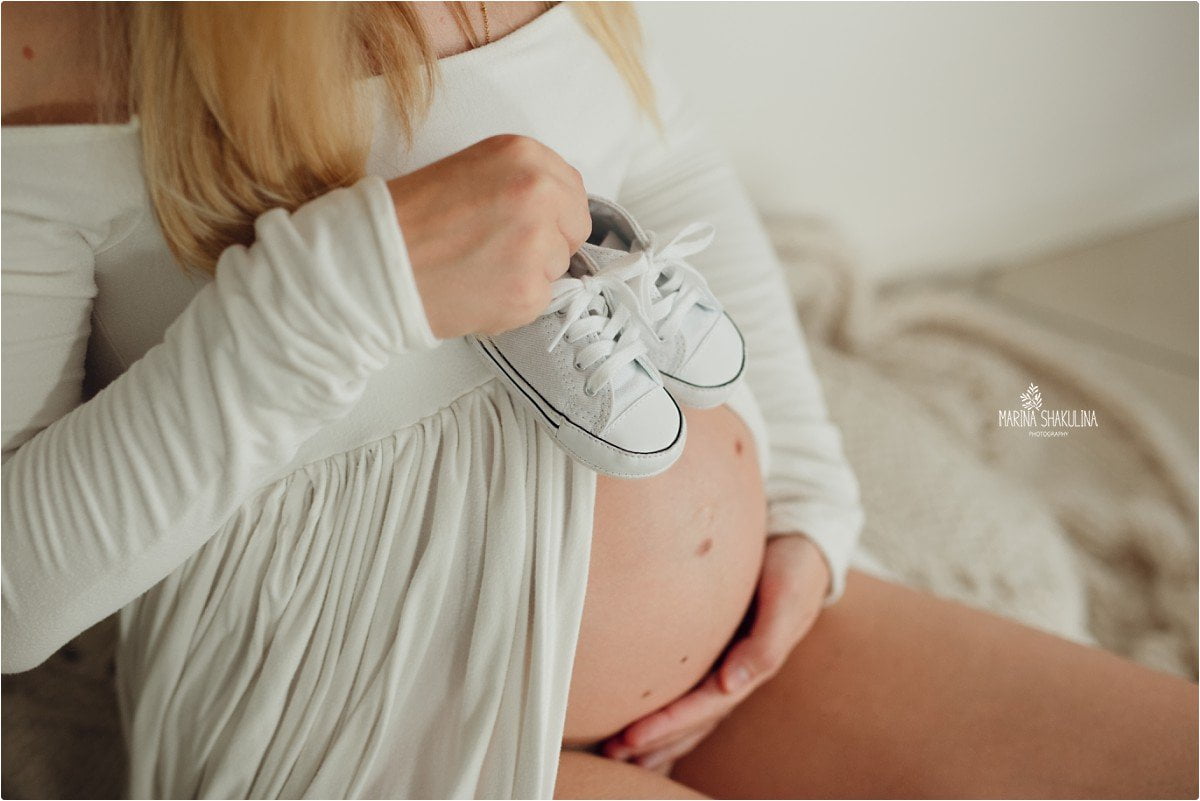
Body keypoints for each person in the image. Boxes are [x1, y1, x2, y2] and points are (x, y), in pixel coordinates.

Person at [1, 3, 1194, 798]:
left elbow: (672, 162)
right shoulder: (52, 41)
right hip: (375, 725)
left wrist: (807, 505)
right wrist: (343, 293)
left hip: (738, 651)